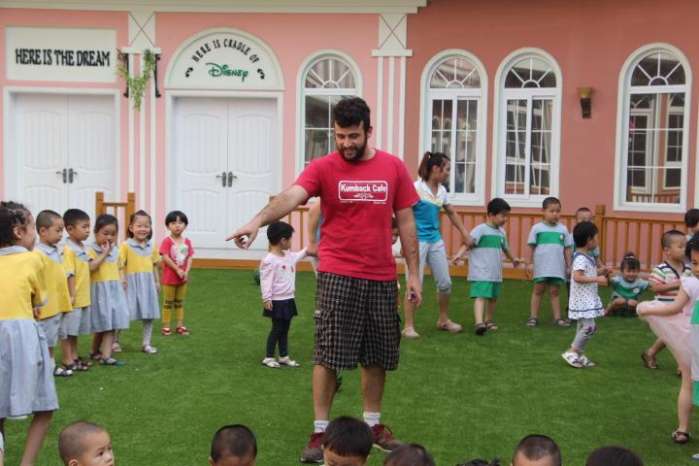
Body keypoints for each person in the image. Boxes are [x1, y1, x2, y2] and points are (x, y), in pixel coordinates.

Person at [229, 97, 421, 464]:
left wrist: (413, 273)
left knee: (377, 355)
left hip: (381, 275)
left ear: (368, 131)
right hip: (337, 274)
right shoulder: (323, 167)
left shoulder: (393, 167)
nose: (346, 143)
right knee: (328, 354)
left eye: (353, 136)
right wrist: (256, 222)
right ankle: (320, 432)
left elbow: (407, 221)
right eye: (340, 136)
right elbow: (291, 196)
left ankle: (373, 426)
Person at [0, 201, 58, 466]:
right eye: (33, 226)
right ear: (18, 231)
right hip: (22, 337)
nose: (35, 233)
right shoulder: (34, 258)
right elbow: (40, 300)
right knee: (44, 406)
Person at [637, 234, 699, 445]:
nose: (697, 268)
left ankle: (683, 429)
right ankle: (682, 429)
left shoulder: (690, 282)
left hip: (693, 338)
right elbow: (674, 308)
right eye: (695, 263)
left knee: (688, 382)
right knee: (687, 381)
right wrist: (648, 309)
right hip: (692, 340)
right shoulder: (690, 283)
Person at [401, 151, 470, 338]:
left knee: (445, 283)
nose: (448, 173)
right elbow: (403, 215)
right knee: (414, 284)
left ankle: (443, 320)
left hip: (435, 240)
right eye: (447, 169)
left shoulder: (442, 191)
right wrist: (402, 240)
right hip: (417, 242)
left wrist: (465, 233)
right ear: (435, 169)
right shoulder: (415, 188)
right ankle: (408, 326)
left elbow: (451, 212)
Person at [452, 198, 522, 335]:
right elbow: (468, 243)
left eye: (507, 216)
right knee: (481, 296)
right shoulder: (480, 230)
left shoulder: (502, 233)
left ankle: (488, 321)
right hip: (481, 271)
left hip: (495, 272)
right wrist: (458, 255)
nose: (505, 219)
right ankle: (479, 323)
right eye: (503, 215)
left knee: (493, 298)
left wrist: (513, 259)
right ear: (491, 215)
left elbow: (506, 248)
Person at [641, 230, 690, 370]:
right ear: (667, 251)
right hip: (666, 309)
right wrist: (677, 284)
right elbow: (654, 287)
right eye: (680, 247)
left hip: (682, 309)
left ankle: (650, 353)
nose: (685, 249)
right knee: (677, 337)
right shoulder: (661, 269)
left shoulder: (688, 269)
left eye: (686, 246)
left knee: (674, 335)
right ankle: (682, 366)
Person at [259, 221, 306, 368]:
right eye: (290, 238)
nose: (291, 242)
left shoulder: (288, 256)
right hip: (277, 301)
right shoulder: (269, 260)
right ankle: (268, 357)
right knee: (277, 329)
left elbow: (299, 255)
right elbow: (266, 280)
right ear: (283, 240)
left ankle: (284, 356)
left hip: (288, 299)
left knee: (285, 329)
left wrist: (309, 247)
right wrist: (267, 298)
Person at [561, 221, 608, 368]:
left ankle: (578, 354)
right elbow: (577, 277)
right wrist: (597, 279)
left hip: (587, 298)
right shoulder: (581, 258)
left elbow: (588, 272)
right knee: (590, 327)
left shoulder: (586, 256)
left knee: (583, 327)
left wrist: (601, 271)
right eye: (596, 237)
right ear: (589, 240)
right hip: (582, 300)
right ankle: (572, 351)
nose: (598, 240)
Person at [34, 210, 73, 376]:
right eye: (58, 230)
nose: (61, 234)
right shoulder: (37, 254)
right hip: (47, 307)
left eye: (62, 230)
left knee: (54, 337)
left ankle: (50, 366)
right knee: (47, 339)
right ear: (43, 231)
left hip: (58, 304)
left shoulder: (58, 251)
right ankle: (48, 367)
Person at [87, 214, 130, 366]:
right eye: (105, 233)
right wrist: (104, 253)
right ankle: (95, 351)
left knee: (112, 324)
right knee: (102, 324)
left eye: (113, 234)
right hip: (100, 292)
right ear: (96, 233)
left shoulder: (116, 251)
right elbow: (91, 267)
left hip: (114, 291)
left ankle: (105, 355)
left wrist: (122, 279)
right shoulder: (91, 250)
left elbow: (120, 267)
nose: (109, 237)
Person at [526, 197, 573, 328]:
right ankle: (533, 317)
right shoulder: (536, 228)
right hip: (541, 267)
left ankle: (557, 318)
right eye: (552, 211)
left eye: (558, 211)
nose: (555, 214)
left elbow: (567, 249)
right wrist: (529, 263)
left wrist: (569, 266)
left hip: (557, 267)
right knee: (538, 290)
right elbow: (531, 247)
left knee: (554, 291)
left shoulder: (563, 229)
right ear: (543, 211)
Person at [120, 210, 161, 354]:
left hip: (148, 285)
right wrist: (122, 279)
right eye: (139, 226)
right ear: (131, 228)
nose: (143, 229)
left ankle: (146, 343)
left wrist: (157, 282)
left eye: (146, 226)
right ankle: (115, 341)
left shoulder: (152, 246)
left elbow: (155, 265)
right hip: (131, 284)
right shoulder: (125, 245)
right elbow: (120, 264)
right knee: (124, 313)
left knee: (149, 314)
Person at [62, 209, 93, 372]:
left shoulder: (83, 247)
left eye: (89, 227)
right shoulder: (68, 249)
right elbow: (69, 273)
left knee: (74, 331)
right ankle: (67, 359)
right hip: (73, 298)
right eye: (84, 227)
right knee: (68, 331)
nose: (88, 230)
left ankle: (74, 356)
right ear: (70, 229)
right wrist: (72, 294)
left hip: (83, 296)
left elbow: (89, 267)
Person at [159, 210, 194, 336]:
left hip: (182, 278)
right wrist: (177, 269)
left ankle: (180, 325)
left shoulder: (187, 241)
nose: (177, 226)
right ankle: (166, 326)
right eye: (173, 223)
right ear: (168, 226)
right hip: (169, 278)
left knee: (179, 302)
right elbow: (165, 257)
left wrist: (186, 271)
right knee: (168, 302)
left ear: (185, 225)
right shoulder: (167, 241)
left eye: (180, 223)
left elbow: (189, 257)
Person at [606, 252, 649, 317]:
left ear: (638, 271)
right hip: (618, 303)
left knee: (633, 303)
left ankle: (636, 313)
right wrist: (607, 274)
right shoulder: (618, 280)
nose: (631, 274)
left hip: (632, 303)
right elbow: (609, 281)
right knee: (619, 301)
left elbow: (651, 285)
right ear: (622, 271)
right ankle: (607, 311)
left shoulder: (640, 282)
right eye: (628, 271)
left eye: (634, 271)